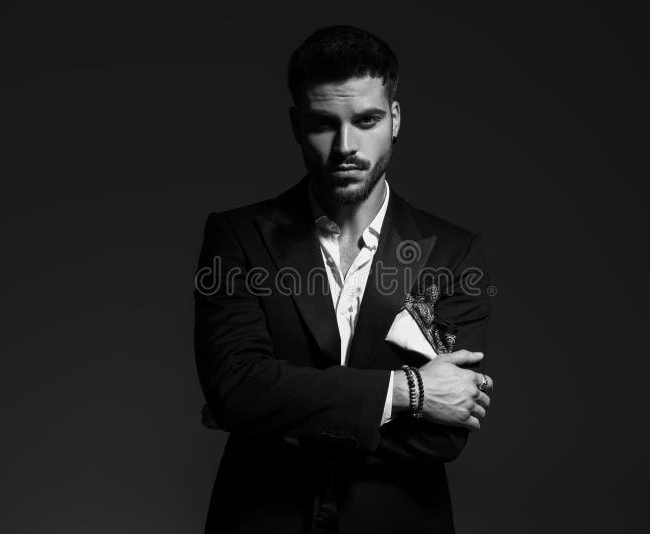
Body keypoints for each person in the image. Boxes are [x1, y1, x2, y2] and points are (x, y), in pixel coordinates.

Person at [194, 25, 494, 534]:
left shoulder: (452, 254)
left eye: (367, 119)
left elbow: (444, 438)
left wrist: (276, 414)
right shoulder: (238, 238)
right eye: (323, 124)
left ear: (395, 119)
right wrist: (410, 393)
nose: (345, 146)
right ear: (296, 124)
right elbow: (237, 390)